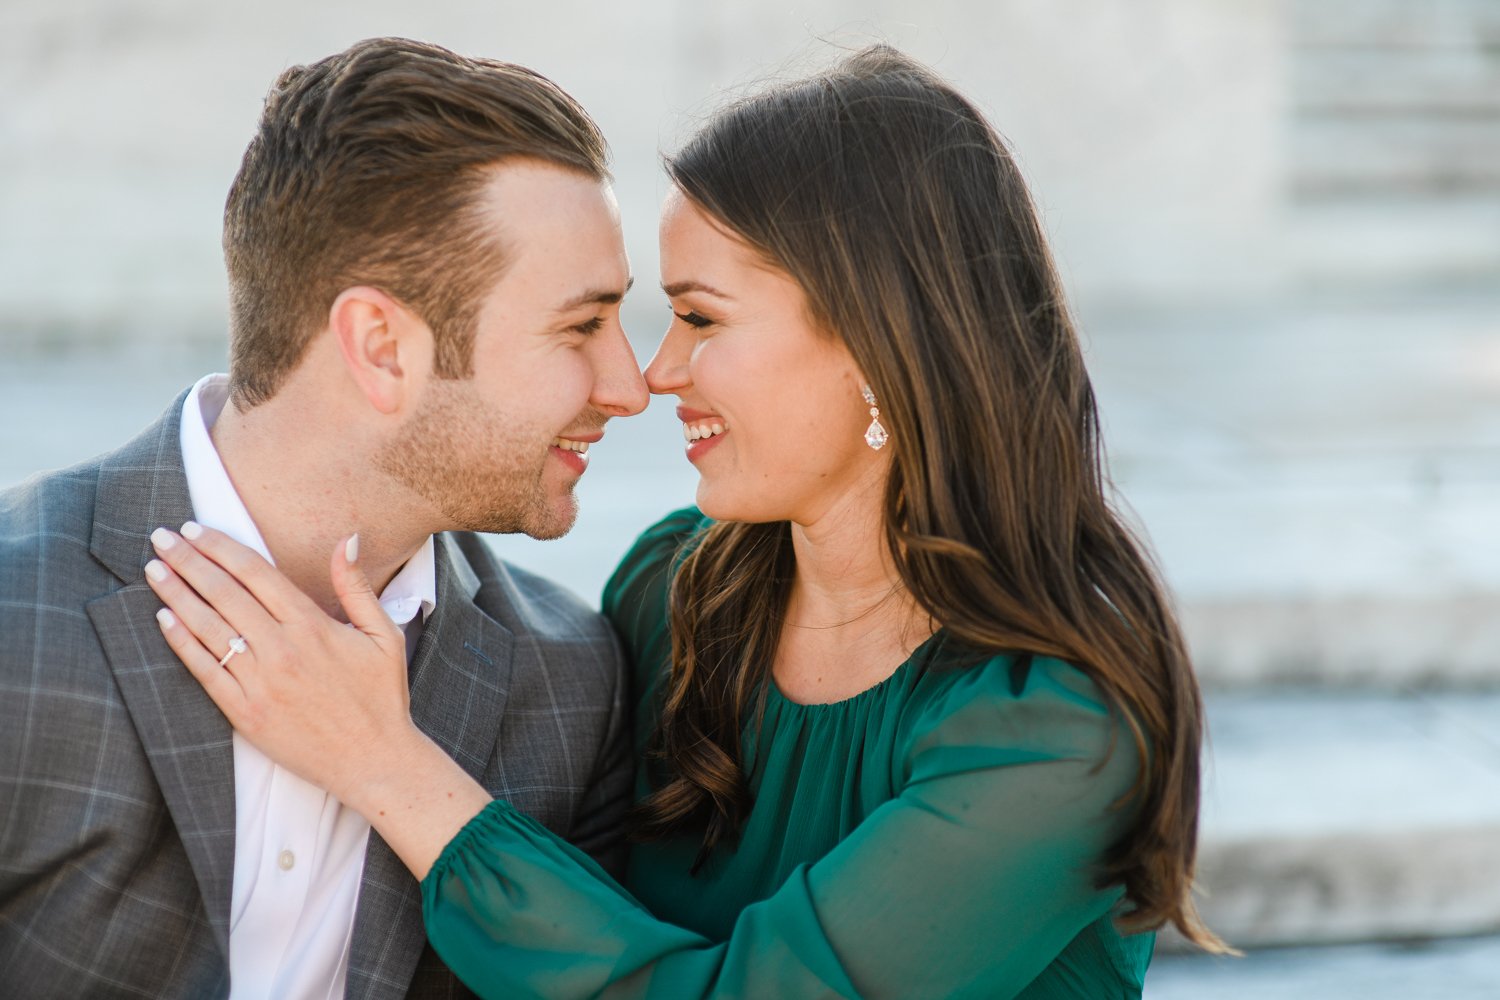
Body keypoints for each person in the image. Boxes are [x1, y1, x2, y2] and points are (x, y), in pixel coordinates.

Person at [146, 45, 1225, 998]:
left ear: (875, 344)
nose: (656, 376)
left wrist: (386, 765)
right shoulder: (678, 590)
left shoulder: (1055, 723)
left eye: (700, 318)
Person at [0, 37, 648, 998]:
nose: (631, 387)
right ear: (381, 346)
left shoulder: (571, 684)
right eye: (582, 326)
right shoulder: (16, 619)